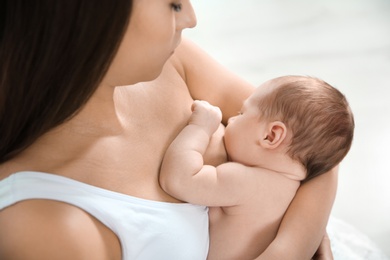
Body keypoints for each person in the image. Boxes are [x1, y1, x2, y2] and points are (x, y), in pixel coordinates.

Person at [0, 1, 337, 259]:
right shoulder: (44, 222)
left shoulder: (171, 64)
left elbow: (316, 136)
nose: (191, 17)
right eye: (172, 4)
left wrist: (291, 245)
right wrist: (305, 225)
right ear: (91, 16)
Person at [160, 75, 355, 259]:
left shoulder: (245, 182)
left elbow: (178, 180)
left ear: (271, 136)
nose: (232, 120)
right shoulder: (295, 191)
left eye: (241, 113)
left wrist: (199, 128)